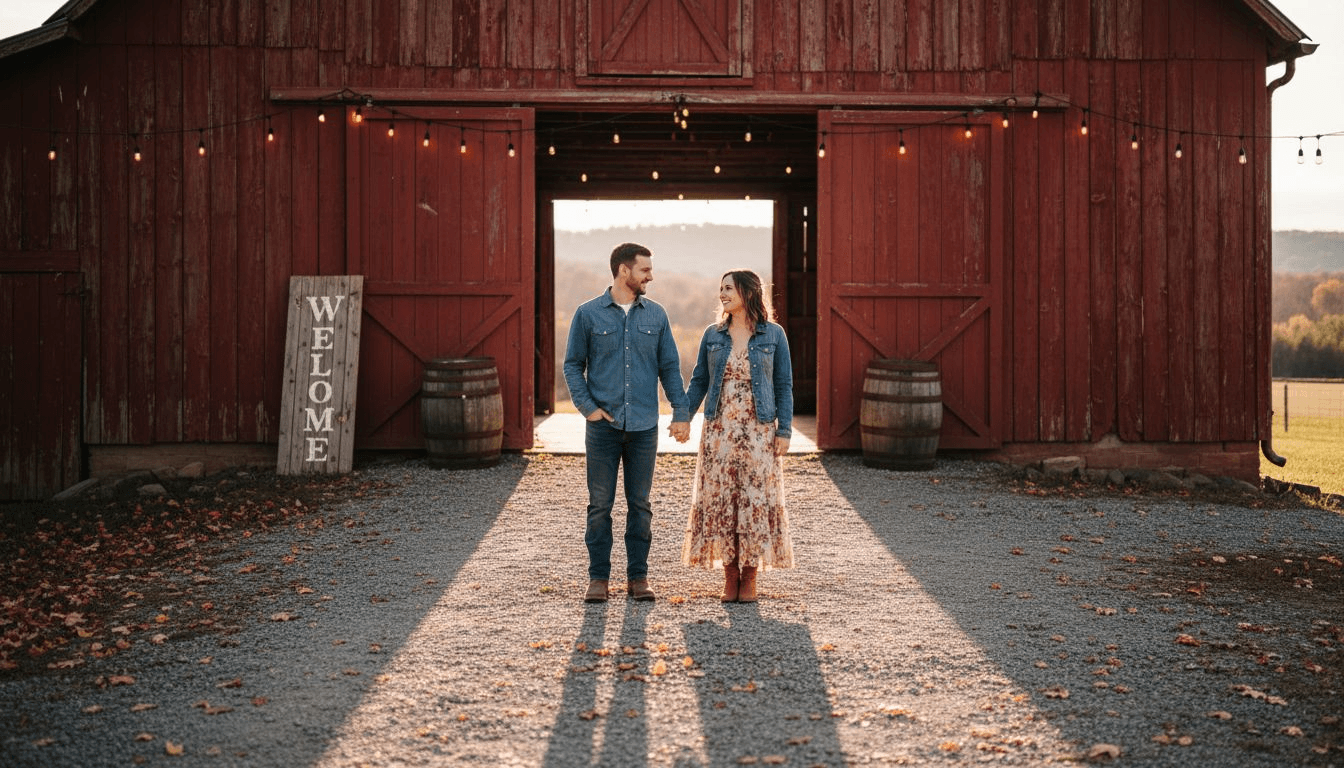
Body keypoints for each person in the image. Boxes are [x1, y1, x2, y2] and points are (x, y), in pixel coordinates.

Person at [564, 243, 691, 604]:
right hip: (602, 428)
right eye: (645, 270)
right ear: (623, 271)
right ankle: (598, 579)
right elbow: (573, 364)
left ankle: (639, 578)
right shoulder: (587, 314)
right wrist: (587, 407)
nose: (651, 276)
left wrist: (680, 413)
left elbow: (669, 368)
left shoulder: (657, 315)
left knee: (641, 504)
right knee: (599, 505)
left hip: (643, 428)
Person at [683, 269, 794, 603]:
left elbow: (784, 385)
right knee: (724, 500)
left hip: (759, 430)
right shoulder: (712, 335)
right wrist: (683, 418)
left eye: (728, 288)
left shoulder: (774, 335)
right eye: (720, 289)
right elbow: (699, 381)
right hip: (719, 431)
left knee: (754, 500)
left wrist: (784, 430)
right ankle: (730, 577)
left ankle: (750, 578)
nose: (722, 294)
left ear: (748, 292)